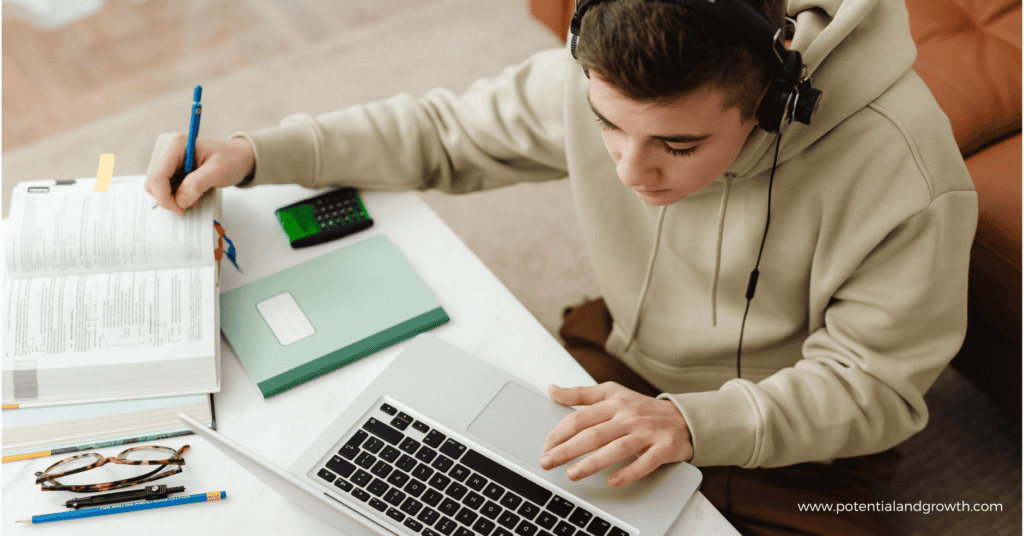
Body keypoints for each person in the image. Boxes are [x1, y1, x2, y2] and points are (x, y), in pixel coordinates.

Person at [146, 0, 977, 533]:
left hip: (803, 448)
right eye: (607, 126)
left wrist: (694, 425)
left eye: (677, 145)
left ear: (771, 101)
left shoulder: (907, 173)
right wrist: (258, 151)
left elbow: (872, 385)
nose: (627, 171)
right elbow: (445, 132)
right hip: (623, 368)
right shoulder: (605, 71)